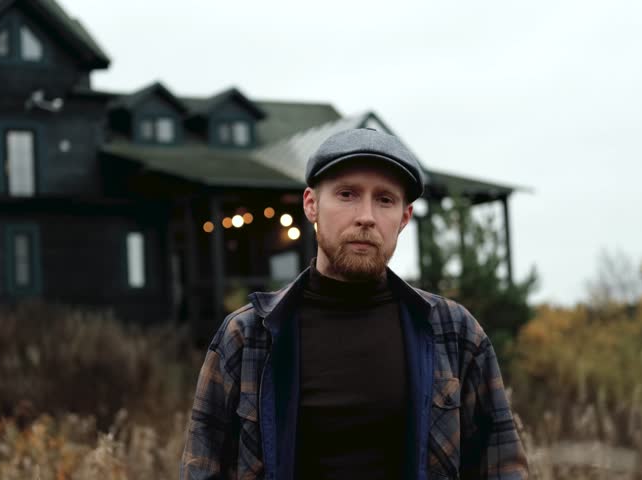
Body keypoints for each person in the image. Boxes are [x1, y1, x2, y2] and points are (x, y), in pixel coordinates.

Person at [180, 128, 528, 480]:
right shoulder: (247, 335)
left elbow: (501, 466)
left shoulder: (454, 332)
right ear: (311, 204)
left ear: (404, 217)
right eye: (347, 194)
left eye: (385, 200)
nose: (366, 216)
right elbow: (202, 469)